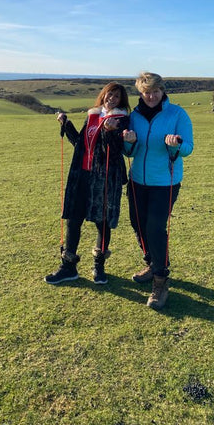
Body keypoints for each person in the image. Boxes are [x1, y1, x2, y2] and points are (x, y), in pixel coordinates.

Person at [45, 82, 130, 285]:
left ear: (121, 101)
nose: (112, 99)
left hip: (106, 177)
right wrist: (66, 124)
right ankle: (68, 267)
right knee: (73, 219)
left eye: (117, 96)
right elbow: (79, 143)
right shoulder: (92, 114)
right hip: (81, 175)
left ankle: (99, 267)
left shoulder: (122, 119)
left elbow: (118, 150)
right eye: (110, 94)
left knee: (102, 221)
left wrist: (110, 132)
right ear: (103, 95)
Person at [123, 72, 193, 309]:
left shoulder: (177, 114)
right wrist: (129, 142)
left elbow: (188, 147)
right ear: (140, 93)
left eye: (155, 91)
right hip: (137, 181)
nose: (151, 96)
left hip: (165, 182)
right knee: (137, 224)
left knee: (154, 228)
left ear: (162, 91)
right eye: (146, 92)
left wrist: (178, 143)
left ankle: (161, 282)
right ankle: (152, 263)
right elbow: (128, 152)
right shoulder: (135, 116)